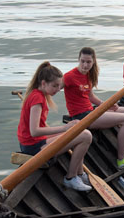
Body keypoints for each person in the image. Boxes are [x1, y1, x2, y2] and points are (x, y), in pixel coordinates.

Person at [63, 47, 124, 168]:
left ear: (93, 62)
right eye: (82, 61)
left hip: (90, 111)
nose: (85, 65)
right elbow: (54, 87)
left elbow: (90, 96)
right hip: (82, 116)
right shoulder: (69, 77)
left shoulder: (88, 75)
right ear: (78, 60)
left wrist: (106, 105)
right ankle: (122, 158)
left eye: (88, 62)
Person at [17, 62, 93, 192]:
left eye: (59, 85)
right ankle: (71, 178)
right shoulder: (37, 99)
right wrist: (64, 128)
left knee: (77, 131)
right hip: (33, 147)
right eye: (55, 86)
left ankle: (80, 173)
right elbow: (34, 131)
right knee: (86, 136)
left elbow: (38, 128)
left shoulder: (38, 94)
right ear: (43, 83)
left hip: (34, 142)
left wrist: (69, 129)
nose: (58, 89)